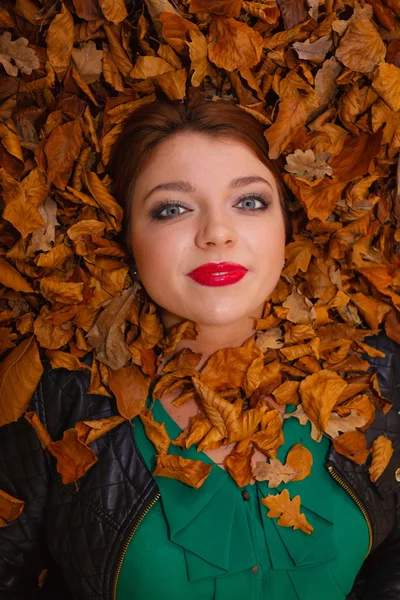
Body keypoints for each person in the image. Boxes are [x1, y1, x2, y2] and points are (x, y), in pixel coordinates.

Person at [0, 98, 399, 600]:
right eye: (172, 209)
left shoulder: (376, 376)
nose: (216, 233)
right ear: (126, 237)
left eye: (250, 202)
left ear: (286, 226)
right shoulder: (55, 401)